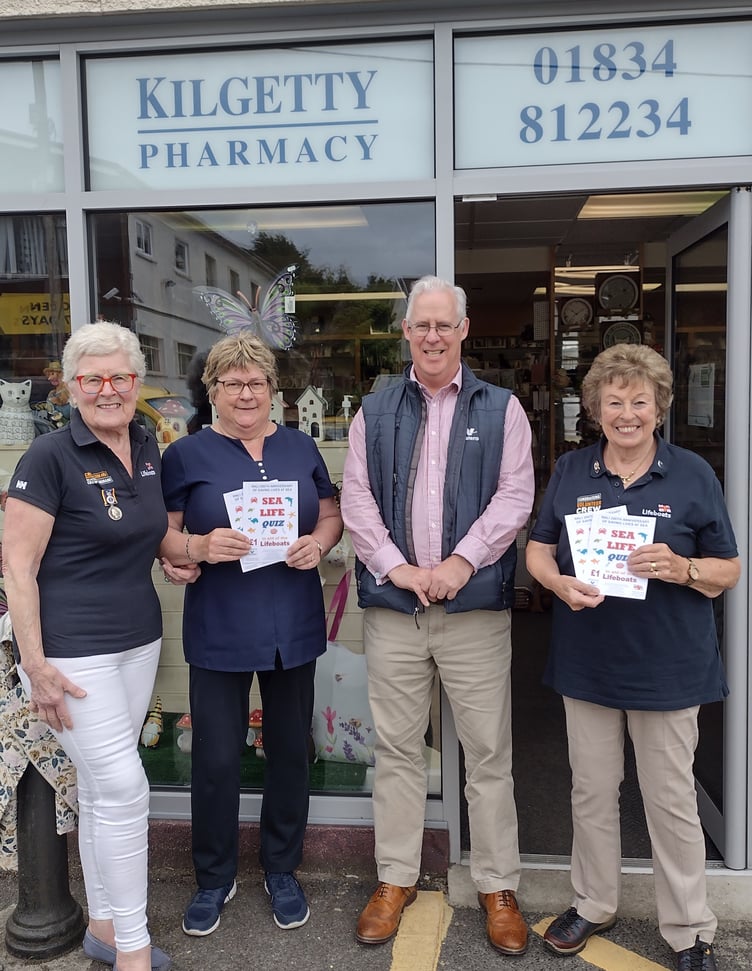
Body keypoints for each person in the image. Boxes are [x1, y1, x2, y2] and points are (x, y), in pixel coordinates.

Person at [525, 343, 740, 971]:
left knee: (670, 801)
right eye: (613, 401)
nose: (626, 414)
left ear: (659, 408)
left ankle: (690, 929)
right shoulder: (573, 471)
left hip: (669, 667)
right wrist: (557, 584)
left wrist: (682, 567)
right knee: (591, 792)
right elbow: (539, 548)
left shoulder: (692, 474)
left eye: (639, 401)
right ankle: (594, 903)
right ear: (594, 409)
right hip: (588, 662)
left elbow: (727, 570)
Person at [340, 275, 535, 954]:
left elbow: (515, 496)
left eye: (443, 325)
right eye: (420, 325)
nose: (431, 336)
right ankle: (394, 878)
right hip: (395, 610)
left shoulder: (503, 408)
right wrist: (398, 568)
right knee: (396, 750)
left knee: (488, 754)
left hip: (473, 609)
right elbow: (356, 498)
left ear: (463, 330)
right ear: (405, 332)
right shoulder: (373, 410)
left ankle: (497, 885)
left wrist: (460, 563)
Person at [159, 332, 343, 938]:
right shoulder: (187, 454)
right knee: (216, 757)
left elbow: (330, 513)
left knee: (289, 750)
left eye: (256, 382)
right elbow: (164, 533)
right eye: (232, 383)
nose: (246, 393)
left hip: (293, 622)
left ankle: (281, 868)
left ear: (274, 390)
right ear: (212, 391)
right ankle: (214, 877)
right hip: (221, 623)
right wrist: (196, 547)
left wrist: (318, 544)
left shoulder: (299, 446)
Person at [3, 321, 172, 971]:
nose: (108, 390)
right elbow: (17, 568)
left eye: (119, 377)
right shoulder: (48, 456)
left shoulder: (147, 442)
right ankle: (133, 948)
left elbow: (149, 532)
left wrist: (188, 551)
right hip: (72, 654)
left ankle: (103, 925)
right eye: (93, 379)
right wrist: (34, 665)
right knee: (126, 788)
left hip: (139, 641)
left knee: (103, 789)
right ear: (72, 387)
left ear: (136, 382)